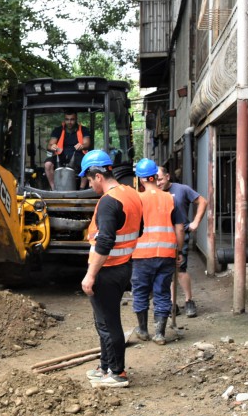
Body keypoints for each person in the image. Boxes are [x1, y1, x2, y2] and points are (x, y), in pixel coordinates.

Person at [79, 150, 143, 388]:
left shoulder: (108, 201)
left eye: (88, 178)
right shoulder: (131, 194)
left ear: (98, 176)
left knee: (108, 324)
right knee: (104, 322)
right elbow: (140, 229)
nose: (89, 184)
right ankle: (105, 367)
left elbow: (105, 241)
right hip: (124, 266)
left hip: (107, 271)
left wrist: (90, 275)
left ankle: (117, 373)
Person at [131, 159, 185, 345]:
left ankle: (143, 330)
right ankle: (160, 334)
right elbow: (180, 229)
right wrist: (179, 251)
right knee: (162, 292)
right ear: (155, 176)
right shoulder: (171, 199)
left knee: (140, 292)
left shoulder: (137, 199)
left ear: (140, 179)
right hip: (166, 254)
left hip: (141, 256)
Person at [156, 166, 208, 318]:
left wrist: (195, 222)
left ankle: (189, 301)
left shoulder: (182, 189)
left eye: (160, 179)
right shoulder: (154, 193)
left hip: (180, 235)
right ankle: (172, 303)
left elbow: (203, 201)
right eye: (155, 180)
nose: (158, 183)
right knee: (168, 270)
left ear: (167, 176)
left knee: (181, 270)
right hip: (162, 235)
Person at [44, 110, 91, 190]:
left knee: (87, 163)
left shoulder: (84, 129)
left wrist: (82, 146)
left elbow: (87, 143)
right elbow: (49, 145)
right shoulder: (58, 130)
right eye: (67, 119)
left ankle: (81, 189)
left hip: (77, 154)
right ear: (64, 120)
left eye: (72, 119)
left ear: (76, 119)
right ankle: (53, 189)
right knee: (48, 164)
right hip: (60, 155)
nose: (69, 122)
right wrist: (52, 146)